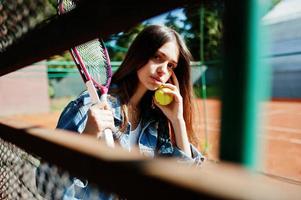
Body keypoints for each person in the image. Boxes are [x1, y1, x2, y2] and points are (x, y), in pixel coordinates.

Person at [57, 25, 205, 199]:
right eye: (157, 57)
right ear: (140, 53)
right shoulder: (89, 107)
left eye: (171, 65)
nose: (163, 70)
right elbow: (50, 185)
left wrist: (177, 121)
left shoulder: (155, 119)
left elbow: (181, 181)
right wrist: (88, 136)